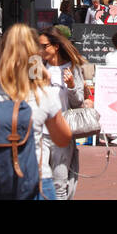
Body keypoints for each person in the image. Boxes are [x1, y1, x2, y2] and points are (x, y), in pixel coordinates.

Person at [0, 23, 72, 201]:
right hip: (37, 182)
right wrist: (41, 78)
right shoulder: (42, 94)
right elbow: (63, 138)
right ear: (35, 55)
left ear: (2, 53)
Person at [38, 28, 87, 199]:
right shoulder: (37, 66)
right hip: (39, 132)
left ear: (56, 46)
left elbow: (78, 101)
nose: (40, 50)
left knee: (60, 181)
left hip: (62, 131)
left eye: (44, 46)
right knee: (40, 179)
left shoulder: (72, 68)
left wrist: (72, 85)